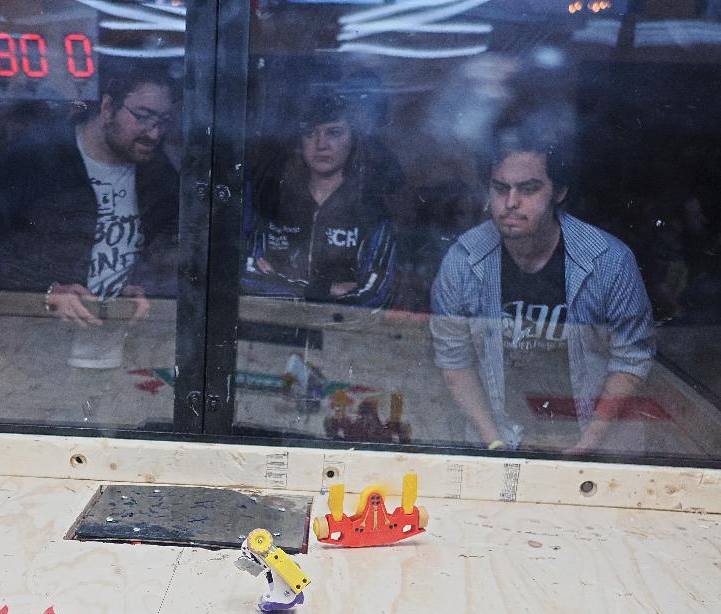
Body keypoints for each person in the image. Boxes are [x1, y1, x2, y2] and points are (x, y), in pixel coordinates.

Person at [430, 127, 655, 454]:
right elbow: (453, 360)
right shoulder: (463, 260)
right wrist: (494, 443)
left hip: (597, 440)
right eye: (500, 188)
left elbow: (632, 358)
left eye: (529, 189)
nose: (510, 203)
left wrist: (591, 440)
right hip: (498, 437)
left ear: (559, 191)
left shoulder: (608, 261)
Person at [0, 63, 180, 326]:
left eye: (163, 121)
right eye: (142, 116)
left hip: (116, 332)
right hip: (29, 331)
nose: (154, 133)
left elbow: (164, 256)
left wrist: (137, 288)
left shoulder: (157, 174)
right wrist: (46, 292)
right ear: (107, 107)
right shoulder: (34, 160)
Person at [242, 89, 396, 307]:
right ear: (300, 142)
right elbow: (248, 279)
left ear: (353, 140)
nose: (321, 144)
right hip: (276, 325)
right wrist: (322, 290)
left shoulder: (370, 210)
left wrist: (280, 282)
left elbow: (372, 297)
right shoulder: (275, 203)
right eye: (310, 133)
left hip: (339, 329)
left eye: (334, 133)